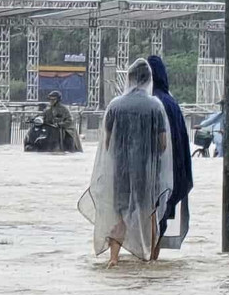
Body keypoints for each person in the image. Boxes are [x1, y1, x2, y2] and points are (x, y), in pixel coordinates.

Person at [78, 59, 173, 268]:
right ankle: (149, 257)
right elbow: (163, 144)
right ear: (148, 80)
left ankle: (113, 258)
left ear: (129, 78)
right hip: (146, 171)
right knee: (149, 213)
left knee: (120, 213)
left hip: (120, 171)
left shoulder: (115, 105)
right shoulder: (155, 106)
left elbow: (108, 143)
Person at [148, 55, 193, 259]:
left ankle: (146, 259)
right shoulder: (171, 102)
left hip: (151, 171)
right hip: (173, 171)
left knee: (148, 214)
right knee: (161, 216)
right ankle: (153, 259)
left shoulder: (151, 102)